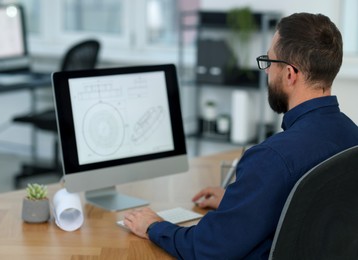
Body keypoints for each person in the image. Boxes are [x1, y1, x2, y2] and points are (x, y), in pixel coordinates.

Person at [123, 12, 358, 259]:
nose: (266, 72)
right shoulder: (352, 136)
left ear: (290, 74)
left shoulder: (271, 158)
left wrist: (154, 226)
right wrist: (242, 203)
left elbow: (207, 249)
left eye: (269, 62)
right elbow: (317, 212)